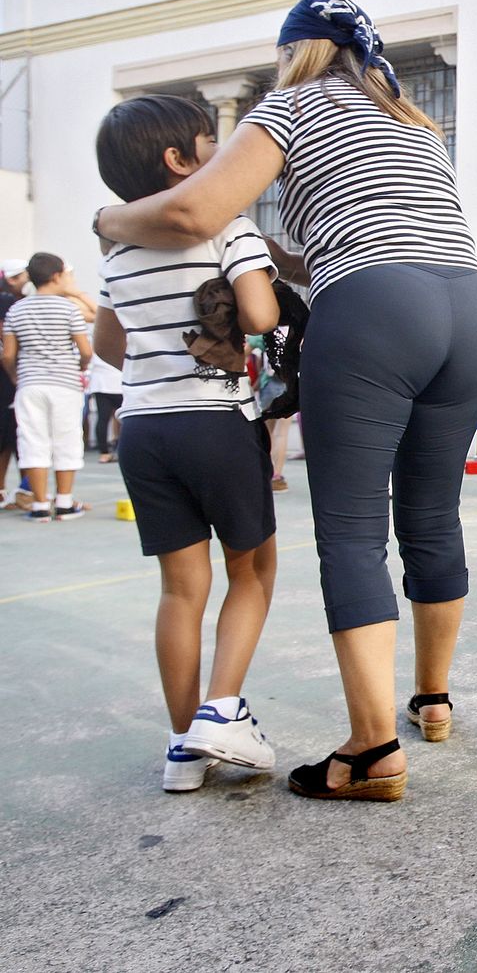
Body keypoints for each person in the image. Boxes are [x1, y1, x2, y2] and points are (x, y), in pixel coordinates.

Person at [94, 0, 477, 801]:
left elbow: (194, 209)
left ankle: (371, 750)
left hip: (378, 307)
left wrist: (108, 218)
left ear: (294, 53)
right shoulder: (414, 120)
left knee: (351, 532)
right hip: (469, 304)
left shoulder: (291, 103)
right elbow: (348, 238)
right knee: (432, 513)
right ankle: (434, 698)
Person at [92, 93, 283, 791]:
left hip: (143, 428)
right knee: (253, 570)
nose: (222, 158)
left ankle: (181, 748)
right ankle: (221, 711)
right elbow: (261, 311)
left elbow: (109, 345)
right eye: (212, 146)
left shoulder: (118, 249)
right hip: (214, 423)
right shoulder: (227, 227)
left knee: (180, 591)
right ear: (180, 163)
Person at [1, 254, 93, 522]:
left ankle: (40, 504)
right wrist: (80, 367)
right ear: (56, 276)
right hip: (64, 383)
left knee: (32, 441)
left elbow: (7, 355)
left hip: (30, 384)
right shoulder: (69, 309)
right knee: (66, 440)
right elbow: (85, 350)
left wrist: (15, 376)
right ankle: (64, 503)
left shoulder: (16, 310)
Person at [248, 331, 293, 491]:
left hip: (269, 385)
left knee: (267, 432)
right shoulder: (295, 329)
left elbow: (247, 348)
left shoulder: (267, 332)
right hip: (288, 385)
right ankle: (277, 475)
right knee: (282, 433)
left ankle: (265, 471)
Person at [0, 258, 26, 506]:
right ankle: (24, 492)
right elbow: (8, 348)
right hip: (8, 379)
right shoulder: (7, 302)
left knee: (12, 436)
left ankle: (17, 491)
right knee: (14, 435)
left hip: (10, 377)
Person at [87, 355, 124, 463]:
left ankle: (104, 453)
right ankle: (125, 449)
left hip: (100, 382)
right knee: (126, 418)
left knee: (103, 418)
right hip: (118, 381)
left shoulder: (95, 339)